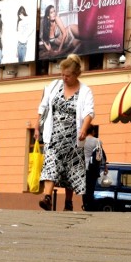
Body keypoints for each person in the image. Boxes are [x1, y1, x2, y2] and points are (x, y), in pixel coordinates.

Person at [34, 54, 94, 211]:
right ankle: (47, 197)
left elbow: (89, 112)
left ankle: (68, 202)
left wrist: (84, 129)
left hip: (74, 139)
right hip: (53, 136)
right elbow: (43, 106)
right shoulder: (54, 85)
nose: (64, 78)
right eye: (62, 74)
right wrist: (37, 125)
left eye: (67, 76)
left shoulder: (85, 91)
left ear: (76, 74)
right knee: (50, 164)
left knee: (71, 171)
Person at [83, 125, 108, 211]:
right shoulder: (97, 141)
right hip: (93, 167)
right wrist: (105, 166)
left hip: (82, 167)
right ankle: (90, 205)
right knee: (91, 187)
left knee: (84, 187)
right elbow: (101, 155)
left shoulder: (82, 140)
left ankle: (85, 204)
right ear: (93, 131)